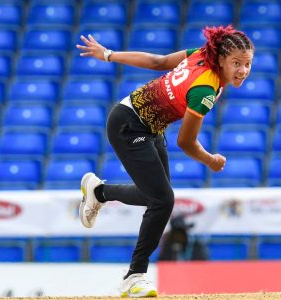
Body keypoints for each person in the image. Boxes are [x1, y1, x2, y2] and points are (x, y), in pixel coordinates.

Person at [76, 25, 254, 298]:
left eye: (247, 64)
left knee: (155, 198)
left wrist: (110, 54)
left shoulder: (200, 55)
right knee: (163, 201)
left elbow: (158, 62)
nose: (242, 70)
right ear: (221, 59)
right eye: (236, 63)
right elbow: (186, 142)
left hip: (148, 125)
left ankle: (99, 191)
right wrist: (211, 160)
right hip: (129, 125)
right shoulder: (205, 89)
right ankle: (134, 276)